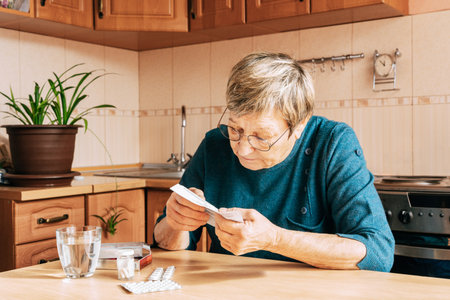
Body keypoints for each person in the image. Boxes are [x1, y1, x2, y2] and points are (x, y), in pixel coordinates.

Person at [153, 52, 395, 272]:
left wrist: (275, 239)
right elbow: (167, 242)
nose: (243, 148)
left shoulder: (333, 143)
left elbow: (377, 252)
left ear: (299, 125)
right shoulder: (214, 145)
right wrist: (175, 224)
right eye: (235, 129)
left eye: (262, 136)